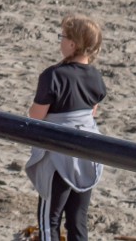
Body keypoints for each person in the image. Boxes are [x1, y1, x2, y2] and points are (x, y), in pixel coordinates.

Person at [27, 15, 107, 241]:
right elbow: (92, 112)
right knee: (77, 219)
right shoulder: (95, 77)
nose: (60, 41)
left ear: (72, 44)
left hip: (58, 157)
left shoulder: (52, 76)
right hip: (87, 153)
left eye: (62, 36)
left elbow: (37, 115)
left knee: (49, 219)